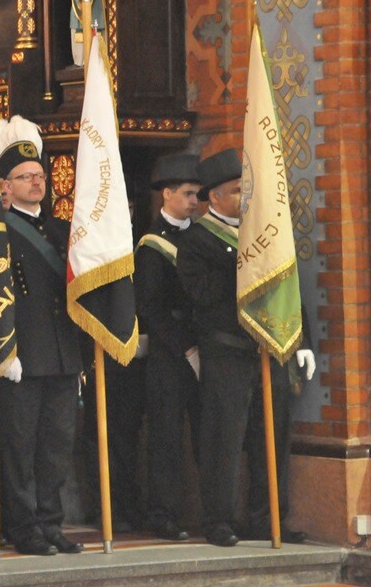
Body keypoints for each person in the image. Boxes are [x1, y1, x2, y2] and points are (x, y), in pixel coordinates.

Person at [176, 149, 313, 547]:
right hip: (227, 352)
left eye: (247, 190)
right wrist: (247, 266)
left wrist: (302, 340)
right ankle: (218, 519)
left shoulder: (265, 234)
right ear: (214, 197)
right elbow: (201, 295)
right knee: (224, 438)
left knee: (271, 437)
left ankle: (268, 517)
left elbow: (289, 286)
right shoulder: (197, 240)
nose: (245, 198)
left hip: (271, 350)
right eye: (237, 191)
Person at [0, 115, 83, 556]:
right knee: (20, 446)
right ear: (4, 186)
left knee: (55, 446)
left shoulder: (62, 230)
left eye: (40, 175)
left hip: (63, 355)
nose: (36, 182)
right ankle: (23, 526)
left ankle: (50, 522)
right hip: (22, 355)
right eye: (25, 177)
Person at [134, 153, 202, 541]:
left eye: (197, 194)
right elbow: (151, 307)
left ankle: (208, 513)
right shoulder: (151, 244)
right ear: (167, 194)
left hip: (201, 349)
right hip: (169, 356)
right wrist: (186, 349)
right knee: (166, 437)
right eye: (189, 193)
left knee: (205, 435)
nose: (195, 201)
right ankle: (163, 514)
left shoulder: (201, 236)